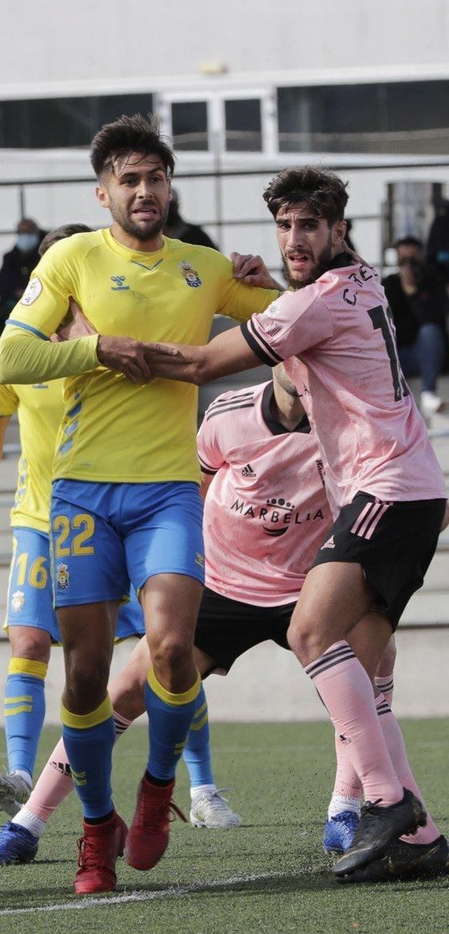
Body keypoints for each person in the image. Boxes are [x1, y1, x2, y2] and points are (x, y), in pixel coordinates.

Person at [0, 114, 279, 894]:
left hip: (170, 493)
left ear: (169, 186)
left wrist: (274, 271)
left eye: (155, 177)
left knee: (171, 650)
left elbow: (304, 319)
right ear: (104, 191)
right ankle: (94, 828)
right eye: (129, 179)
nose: (145, 190)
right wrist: (94, 348)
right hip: (80, 495)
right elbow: (12, 356)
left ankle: (157, 792)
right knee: (82, 677)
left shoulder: (204, 267)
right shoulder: (72, 257)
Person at [134, 166, 449, 882]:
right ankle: (421, 835)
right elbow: (306, 321)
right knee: (362, 662)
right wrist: (271, 292)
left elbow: (207, 363)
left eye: (309, 225)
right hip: (404, 487)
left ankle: (387, 801)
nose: (294, 238)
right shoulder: (358, 282)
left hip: (385, 489)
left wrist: (111, 348)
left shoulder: (323, 298)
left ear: (339, 229)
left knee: (311, 632)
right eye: (284, 225)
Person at [0, 223, 201, 837]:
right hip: (43, 519)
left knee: (168, 650)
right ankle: (24, 782)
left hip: (132, 506)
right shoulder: (22, 351)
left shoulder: (121, 339)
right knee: (35, 647)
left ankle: (198, 782)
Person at [383, 236, 447, 414]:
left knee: (430, 331)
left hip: (425, 355)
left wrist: (412, 291)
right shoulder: (389, 284)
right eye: (403, 259)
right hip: (396, 357)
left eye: (413, 258)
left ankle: (428, 392)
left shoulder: (434, 282)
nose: (408, 264)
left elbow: (432, 319)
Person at [0, 219, 44, 341]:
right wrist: (15, 292)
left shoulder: (44, 255)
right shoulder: (11, 257)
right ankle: (7, 348)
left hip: (37, 303)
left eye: (28, 232)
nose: (24, 236)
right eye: (21, 232)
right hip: (12, 303)